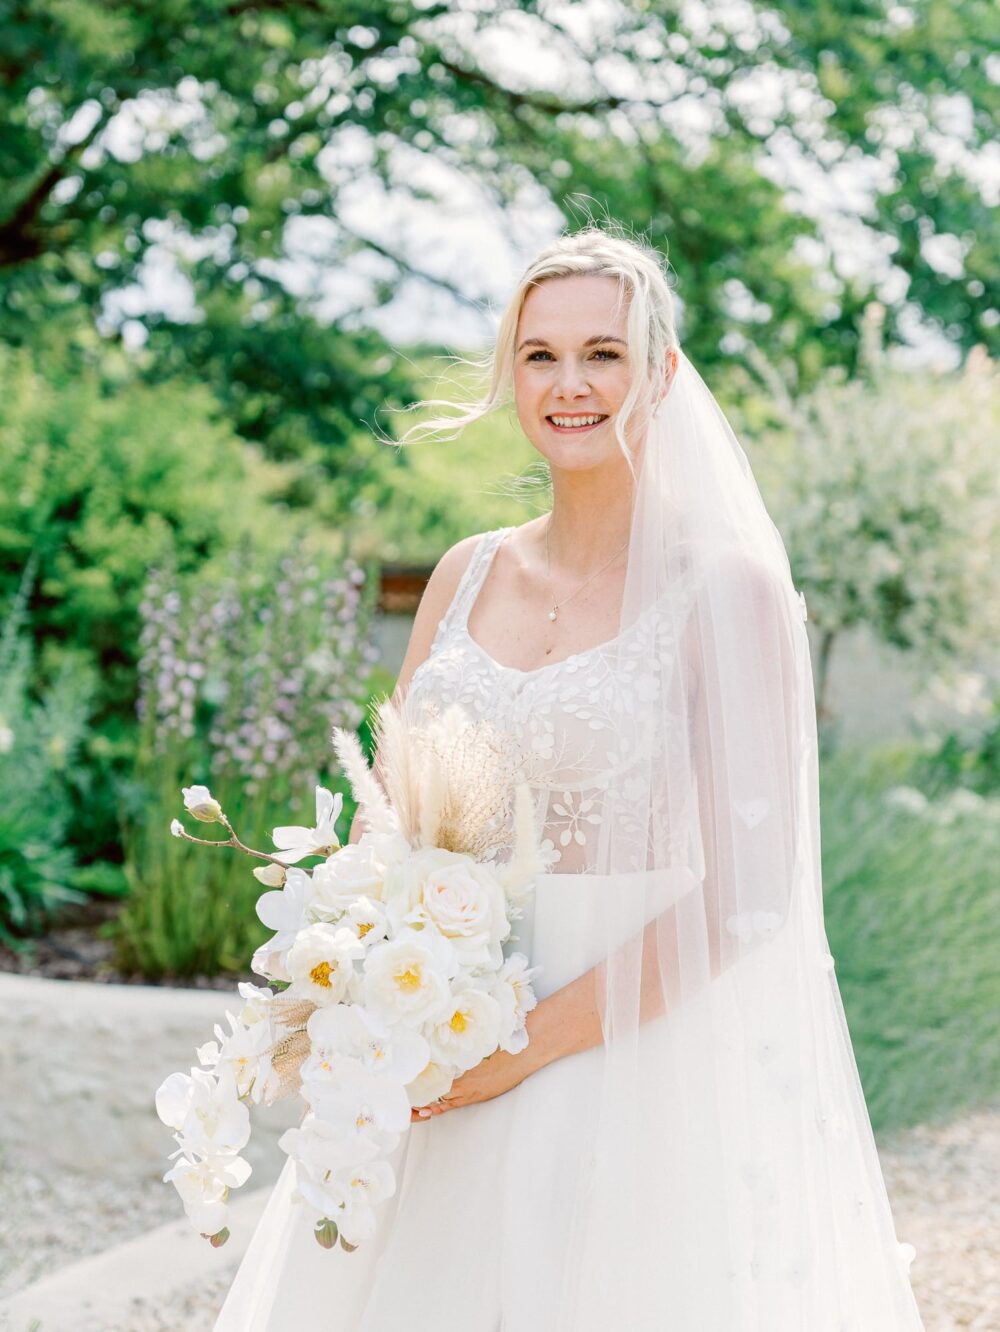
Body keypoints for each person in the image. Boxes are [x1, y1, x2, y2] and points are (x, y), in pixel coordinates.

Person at [212, 226, 927, 1329]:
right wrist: (349, 980)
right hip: (435, 1025)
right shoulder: (466, 572)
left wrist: (516, 1053)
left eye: (603, 352)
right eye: (539, 355)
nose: (570, 384)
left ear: (661, 373)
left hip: (629, 1046)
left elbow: (749, 895)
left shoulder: (723, 589)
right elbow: (389, 825)